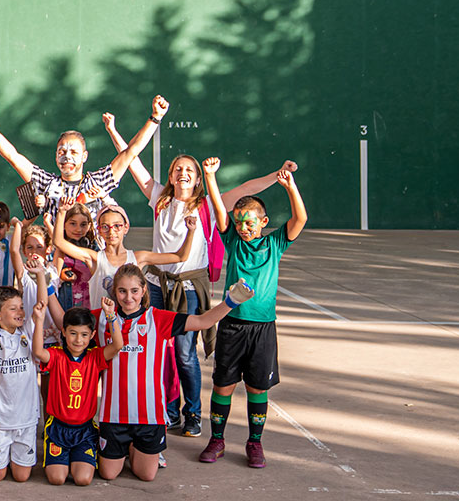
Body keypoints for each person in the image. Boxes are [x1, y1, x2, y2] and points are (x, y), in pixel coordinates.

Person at [103, 112, 298, 436]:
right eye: (178, 169)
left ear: (197, 179)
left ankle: (192, 413)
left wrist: (276, 176)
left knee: (183, 352)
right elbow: (131, 159)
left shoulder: (207, 205)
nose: (183, 173)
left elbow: (248, 187)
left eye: (189, 171)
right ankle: (166, 411)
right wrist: (112, 129)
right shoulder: (159, 199)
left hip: (190, 288)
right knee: (153, 350)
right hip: (155, 285)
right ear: (171, 175)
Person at [96, 264, 253, 482]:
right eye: (122, 291)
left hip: (149, 416)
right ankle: (129, 447)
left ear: (143, 290)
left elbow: (202, 321)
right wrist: (47, 288)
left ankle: (136, 447)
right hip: (113, 415)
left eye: (134, 291)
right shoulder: (103, 318)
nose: (128, 297)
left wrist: (232, 302)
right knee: (109, 474)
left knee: (146, 475)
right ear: (114, 293)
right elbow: (65, 322)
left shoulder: (158, 318)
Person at [199, 158, 307, 469]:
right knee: (223, 385)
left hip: (263, 329)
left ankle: (254, 443)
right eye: (239, 222)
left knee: (257, 387)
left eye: (250, 222)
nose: (243, 227)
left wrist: (290, 186)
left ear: (263, 222)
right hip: (232, 325)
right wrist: (210, 176)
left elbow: (300, 218)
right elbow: (218, 210)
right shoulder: (232, 239)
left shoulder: (275, 243)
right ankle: (217, 439)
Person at [0, 96, 170, 224]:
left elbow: (131, 152)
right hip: (59, 269)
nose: (66, 156)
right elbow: (13, 157)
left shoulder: (98, 182)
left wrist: (155, 117)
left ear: (85, 156)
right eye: (61, 151)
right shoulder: (46, 183)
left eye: (74, 152)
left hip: (94, 266)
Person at [0, 253, 48, 482]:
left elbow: (41, 305)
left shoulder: (29, 332)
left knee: (22, 477)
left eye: (21, 307)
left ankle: (16, 454)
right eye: (13, 309)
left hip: (25, 420)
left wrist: (40, 274)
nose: (20, 312)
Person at [31, 302, 123, 487]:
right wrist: (39, 321)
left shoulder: (94, 356)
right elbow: (38, 351)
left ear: (92, 335)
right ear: (63, 332)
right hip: (58, 429)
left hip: (84, 430)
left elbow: (118, 345)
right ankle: (63, 457)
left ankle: (78, 455)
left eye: (84, 335)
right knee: (57, 479)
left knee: (82, 479)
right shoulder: (57, 355)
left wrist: (111, 316)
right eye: (73, 333)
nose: (78, 340)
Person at [51, 202, 195, 311]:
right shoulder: (94, 258)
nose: (111, 231)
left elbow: (181, 257)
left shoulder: (138, 258)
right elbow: (58, 241)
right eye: (105, 227)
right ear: (99, 230)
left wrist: (191, 232)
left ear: (126, 227)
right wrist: (62, 212)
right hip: (102, 327)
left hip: (128, 327)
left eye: (117, 226)